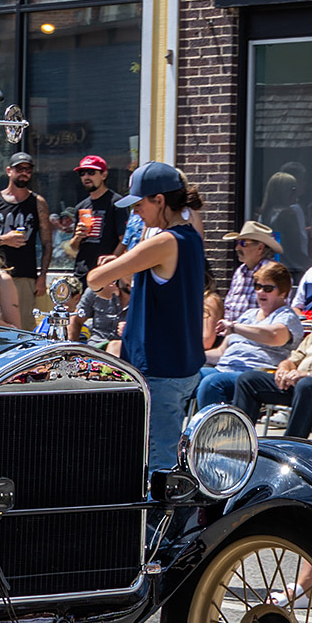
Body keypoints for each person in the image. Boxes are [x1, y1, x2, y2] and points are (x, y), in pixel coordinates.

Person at [86, 162, 205, 467]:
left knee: (156, 465)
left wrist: (116, 266)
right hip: (182, 364)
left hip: (160, 368)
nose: (136, 213)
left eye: (139, 204)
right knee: (162, 457)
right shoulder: (191, 236)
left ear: (160, 200)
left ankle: (158, 518)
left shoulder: (165, 241)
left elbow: (94, 279)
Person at [232, 265, 312, 438]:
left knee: (308, 386)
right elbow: (293, 358)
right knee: (249, 380)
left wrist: (309, 375)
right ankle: (238, 442)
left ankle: (291, 444)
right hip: (300, 383)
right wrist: (284, 369)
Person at [195, 261, 304, 409]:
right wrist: (192, 356)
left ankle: (217, 431)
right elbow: (221, 353)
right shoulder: (248, 315)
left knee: (213, 383)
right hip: (224, 368)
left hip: (254, 374)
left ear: (283, 293)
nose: (260, 292)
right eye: (257, 286)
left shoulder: (287, 316)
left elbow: (274, 336)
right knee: (185, 376)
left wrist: (234, 327)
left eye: (267, 288)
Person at [0, 152, 50, 329]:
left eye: (28, 169)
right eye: (20, 169)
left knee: (22, 325)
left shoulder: (38, 202)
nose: (24, 173)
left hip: (25, 275)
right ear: (9, 171)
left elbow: (47, 243)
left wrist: (42, 276)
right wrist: (5, 239)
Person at [66, 155, 127, 286]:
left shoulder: (117, 203)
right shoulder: (80, 207)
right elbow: (73, 247)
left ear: (103, 175)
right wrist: (77, 237)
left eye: (91, 172)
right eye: (82, 173)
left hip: (105, 275)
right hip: (81, 274)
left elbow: (124, 239)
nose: (86, 177)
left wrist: (112, 263)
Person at [218, 221, 280, 321]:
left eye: (243, 243)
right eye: (237, 243)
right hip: (234, 333)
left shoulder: (274, 273)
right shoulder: (240, 271)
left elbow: (276, 313)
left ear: (260, 248)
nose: (237, 248)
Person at [256, 171, 308, 273]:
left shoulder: (264, 215)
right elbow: (295, 251)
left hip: (270, 268)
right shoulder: (288, 214)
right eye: (293, 189)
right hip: (291, 270)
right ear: (283, 191)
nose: (296, 193)